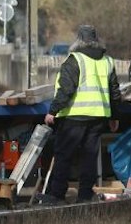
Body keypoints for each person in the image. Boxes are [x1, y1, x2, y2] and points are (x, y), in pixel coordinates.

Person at [40, 24, 122, 203]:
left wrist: (52, 111)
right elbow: (114, 91)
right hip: (97, 117)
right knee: (89, 158)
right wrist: (115, 117)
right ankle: (85, 196)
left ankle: (57, 195)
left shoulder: (74, 60)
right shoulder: (107, 61)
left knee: (63, 155)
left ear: (79, 41)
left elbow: (66, 90)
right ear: (95, 40)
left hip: (73, 117)